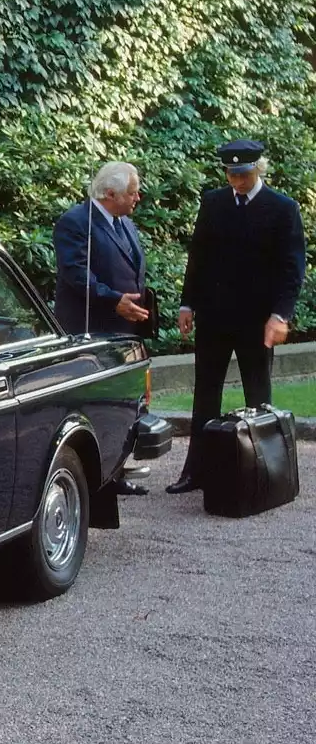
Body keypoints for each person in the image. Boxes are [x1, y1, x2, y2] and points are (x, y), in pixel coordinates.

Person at [166, 139, 307, 494]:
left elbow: (292, 269)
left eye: (243, 174)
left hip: (257, 321)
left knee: (258, 395)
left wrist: (280, 315)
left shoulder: (282, 208)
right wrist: (187, 304)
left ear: (258, 169)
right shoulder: (213, 202)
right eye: (231, 174)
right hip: (214, 317)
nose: (237, 181)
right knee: (205, 395)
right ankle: (196, 471)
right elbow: (198, 256)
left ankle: (264, 473)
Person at [53, 161, 153, 495]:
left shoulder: (126, 223)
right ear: (110, 193)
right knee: (96, 404)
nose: (138, 197)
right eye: (132, 192)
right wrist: (113, 300)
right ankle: (95, 477)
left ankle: (117, 469)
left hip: (125, 328)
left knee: (122, 401)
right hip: (92, 327)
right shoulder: (75, 222)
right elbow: (76, 273)